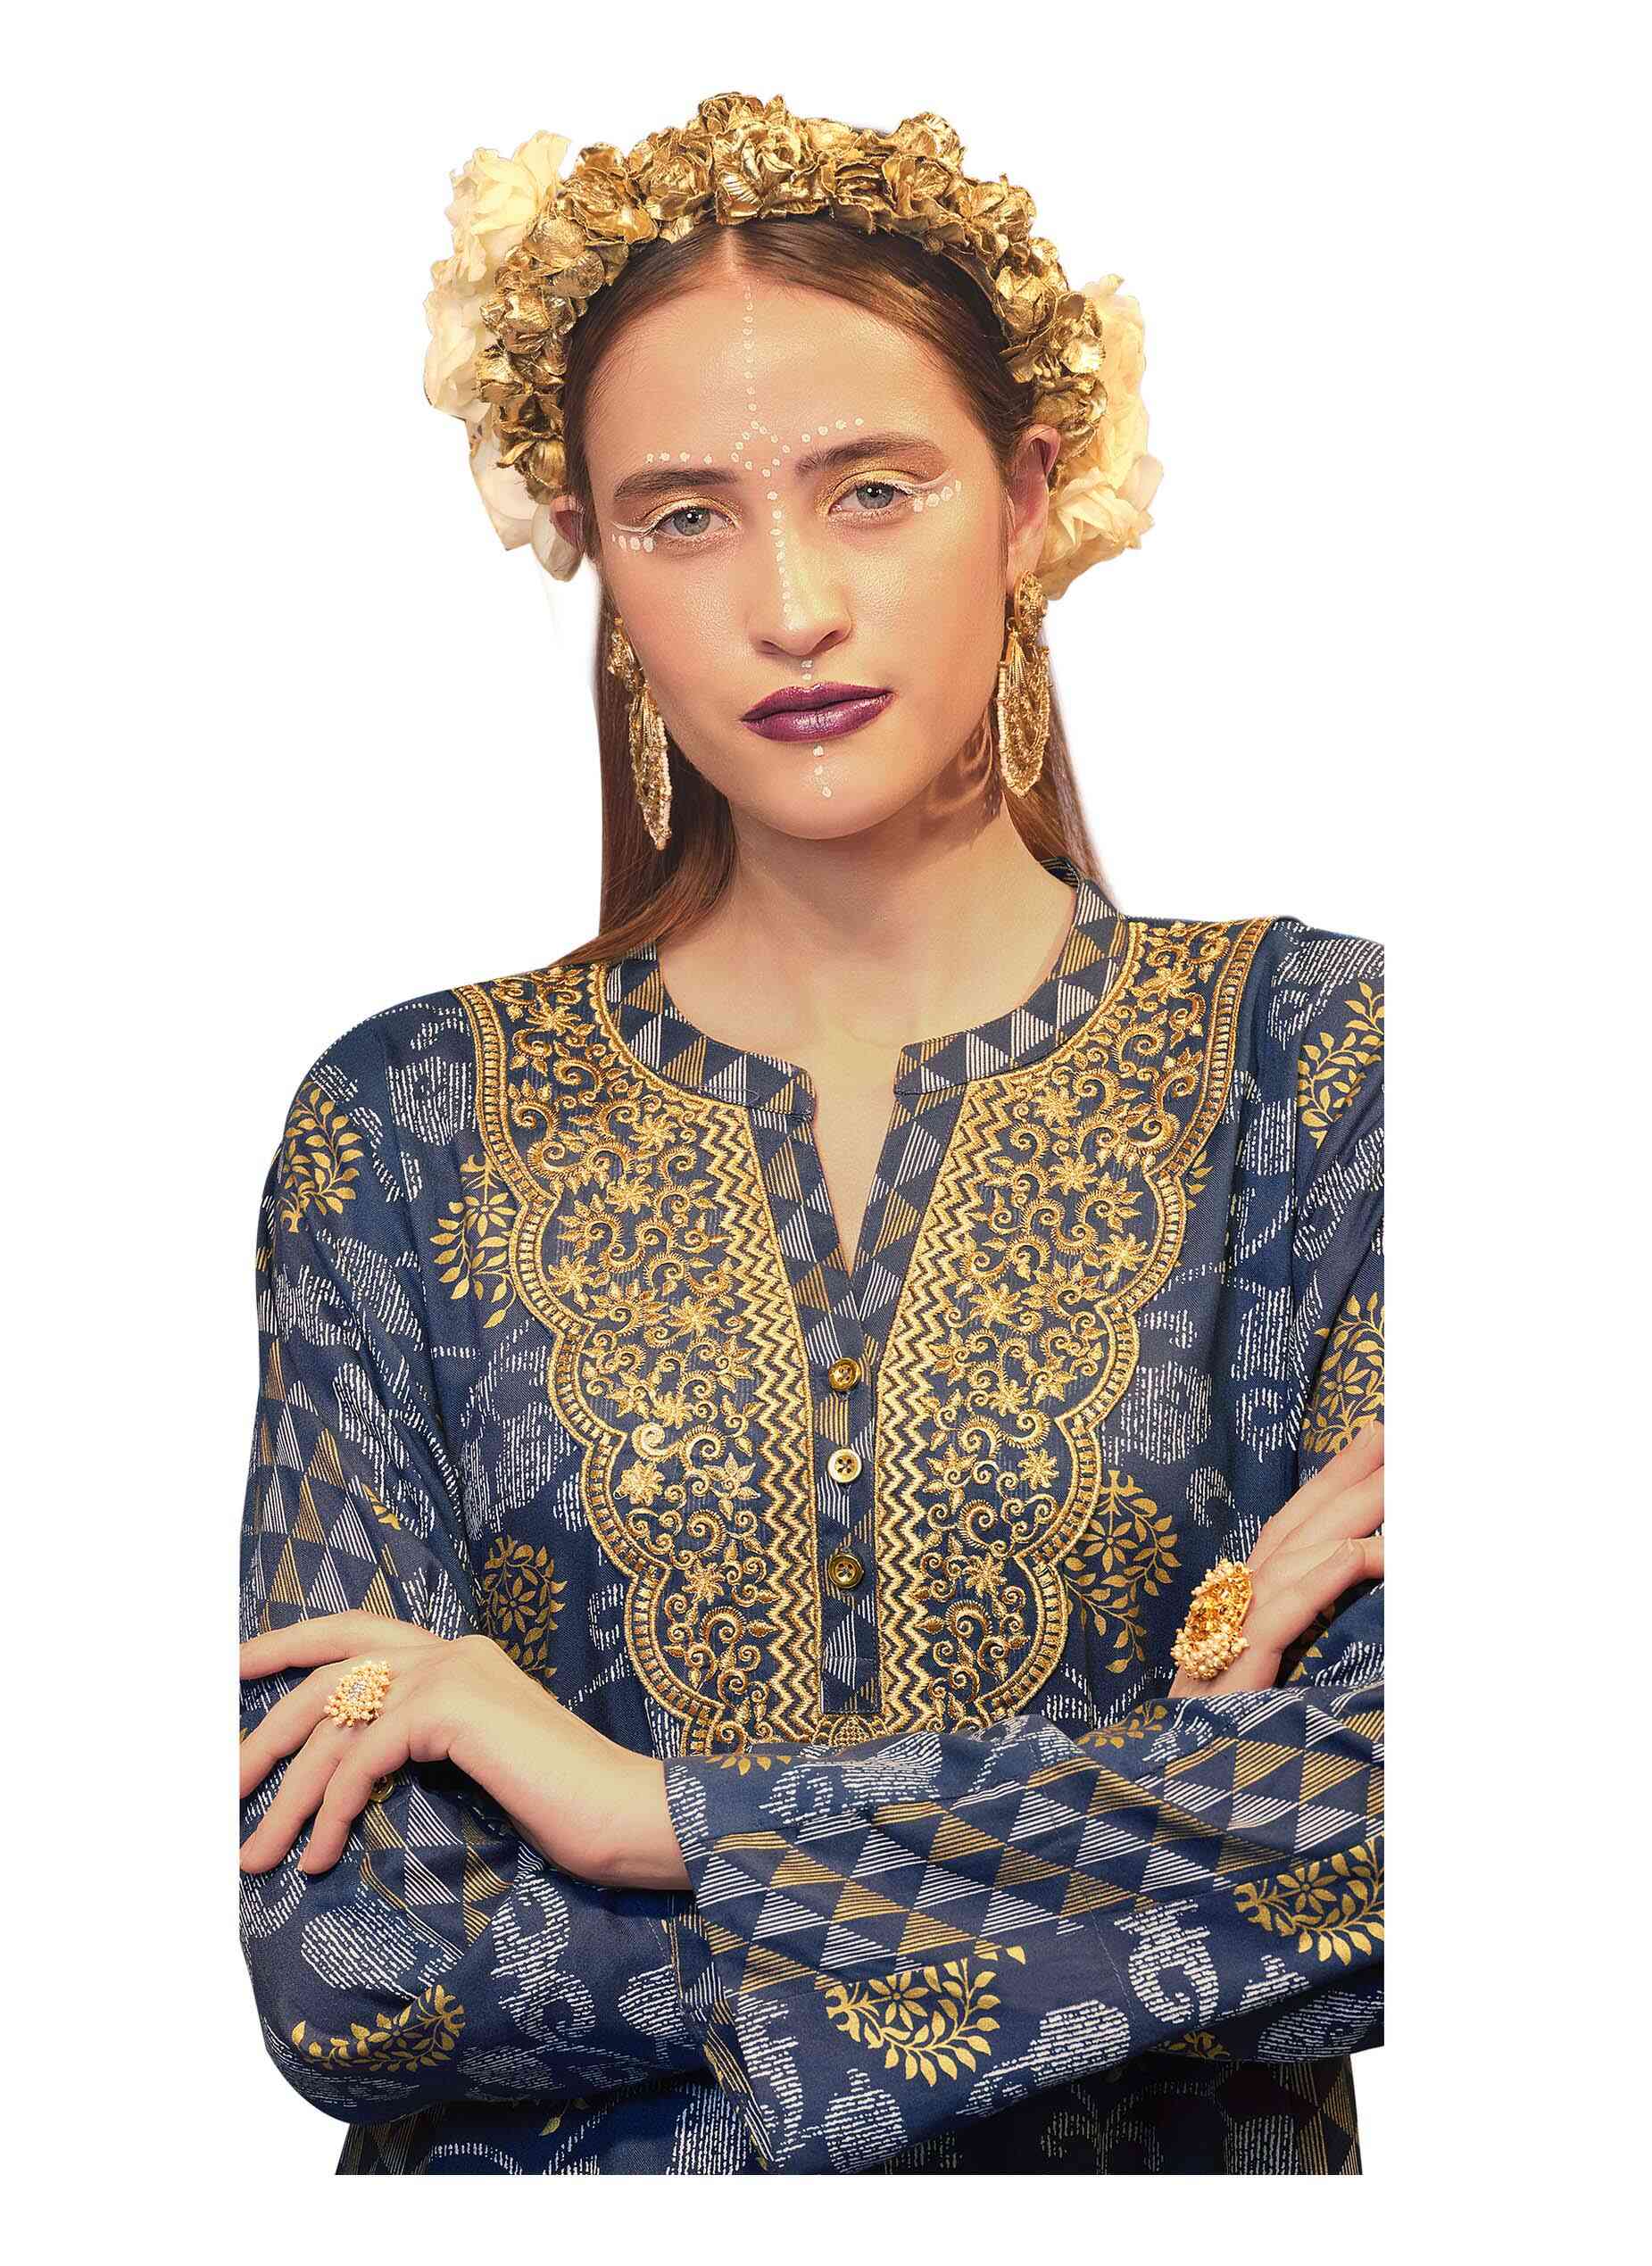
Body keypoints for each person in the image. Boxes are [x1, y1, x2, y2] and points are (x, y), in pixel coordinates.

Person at [236, 91, 1385, 2176]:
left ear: (1024, 499)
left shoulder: (1315, 1074)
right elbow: (358, 1962)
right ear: (595, 557)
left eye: (873, 490)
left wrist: (650, 1815)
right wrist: (1171, 1799)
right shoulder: (404, 1133)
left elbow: (1418, 1828)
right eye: (684, 515)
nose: (788, 603)